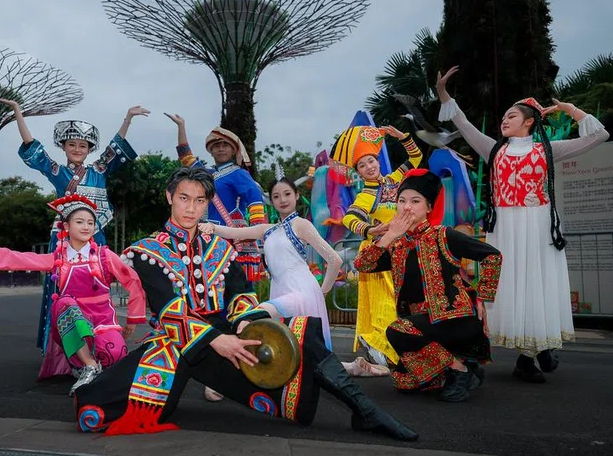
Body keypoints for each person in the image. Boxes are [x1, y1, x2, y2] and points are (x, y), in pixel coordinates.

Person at [72, 167, 417, 442]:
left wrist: (243, 323)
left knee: (302, 336)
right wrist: (218, 340)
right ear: (169, 198)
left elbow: (240, 294)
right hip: (177, 342)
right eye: (184, 199)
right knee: (95, 405)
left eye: (200, 200)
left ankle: (365, 410)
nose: (191, 208)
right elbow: (169, 310)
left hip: (226, 335)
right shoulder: (147, 251)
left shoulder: (221, 248)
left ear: (207, 203)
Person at [435, 66, 609, 382]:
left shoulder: (547, 150)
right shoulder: (494, 149)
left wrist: (571, 110)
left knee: (536, 284)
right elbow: (464, 124)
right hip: (506, 227)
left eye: (511, 116)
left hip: (539, 225)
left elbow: (599, 136)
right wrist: (443, 94)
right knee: (509, 285)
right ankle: (529, 352)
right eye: (504, 116)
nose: (504, 120)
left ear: (529, 122)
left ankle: (530, 355)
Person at [0, 97, 147, 370]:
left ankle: (99, 347)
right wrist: (18, 112)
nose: (77, 149)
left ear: (89, 150)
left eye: (83, 145)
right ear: (63, 147)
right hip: (64, 241)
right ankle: (65, 356)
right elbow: (33, 148)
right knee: (62, 291)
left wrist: (128, 118)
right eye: (72, 144)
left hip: (95, 239)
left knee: (98, 291)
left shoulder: (99, 170)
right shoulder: (57, 172)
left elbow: (115, 147)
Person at [0, 194, 146, 391]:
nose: (86, 227)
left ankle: (94, 365)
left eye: (90, 223)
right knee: (65, 303)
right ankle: (88, 364)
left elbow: (132, 280)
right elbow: (13, 258)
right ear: (66, 226)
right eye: (80, 222)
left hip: (102, 319)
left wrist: (133, 319)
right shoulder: (58, 259)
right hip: (72, 317)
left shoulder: (104, 256)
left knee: (114, 353)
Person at [200, 168, 388, 377]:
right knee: (302, 358)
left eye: (287, 194)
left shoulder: (301, 225)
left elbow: (334, 259)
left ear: (297, 196)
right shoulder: (268, 230)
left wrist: (322, 292)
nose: (282, 200)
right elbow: (234, 232)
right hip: (280, 291)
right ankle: (353, 368)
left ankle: (224, 376)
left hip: (301, 292)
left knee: (254, 315)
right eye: (276, 196)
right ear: (271, 201)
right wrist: (211, 227)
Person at [355, 170, 502, 402]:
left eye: (415, 201)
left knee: (396, 330)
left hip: (454, 320)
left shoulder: (443, 235)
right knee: (403, 382)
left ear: (428, 207)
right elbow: (362, 265)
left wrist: (483, 296)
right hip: (420, 326)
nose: (407, 207)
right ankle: (462, 368)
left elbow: (492, 256)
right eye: (401, 201)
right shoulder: (396, 244)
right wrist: (389, 236)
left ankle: (459, 370)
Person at [329, 125, 422, 367]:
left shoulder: (395, 180)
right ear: (358, 172)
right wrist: (370, 230)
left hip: (402, 251)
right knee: (384, 303)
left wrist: (403, 136)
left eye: (371, 161)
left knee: (402, 302)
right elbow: (349, 218)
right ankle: (382, 345)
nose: (369, 167)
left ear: (378, 161)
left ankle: (392, 346)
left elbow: (416, 157)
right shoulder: (365, 196)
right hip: (379, 254)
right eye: (362, 165)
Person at [165, 114, 268, 285]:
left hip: (232, 237)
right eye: (216, 146)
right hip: (207, 234)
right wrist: (181, 126)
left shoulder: (239, 173)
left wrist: (256, 233)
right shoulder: (206, 174)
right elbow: (186, 158)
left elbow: (255, 201)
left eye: (225, 145)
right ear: (210, 151)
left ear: (234, 150)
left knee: (235, 285)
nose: (221, 149)